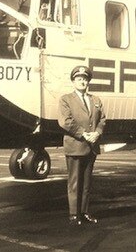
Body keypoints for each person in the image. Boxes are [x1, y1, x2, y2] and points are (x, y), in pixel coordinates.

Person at [58, 65, 106, 226]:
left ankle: (85, 212)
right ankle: (73, 214)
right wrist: (83, 133)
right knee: (74, 182)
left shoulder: (96, 100)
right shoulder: (66, 99)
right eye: (79, 79)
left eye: (85, 79)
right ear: (73, 81)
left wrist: (97, 133)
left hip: (91, 146)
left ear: (88, 82)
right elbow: (65, 122)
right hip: (76, 145)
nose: (82, 82)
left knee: (87, 183)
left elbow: (102, 120)